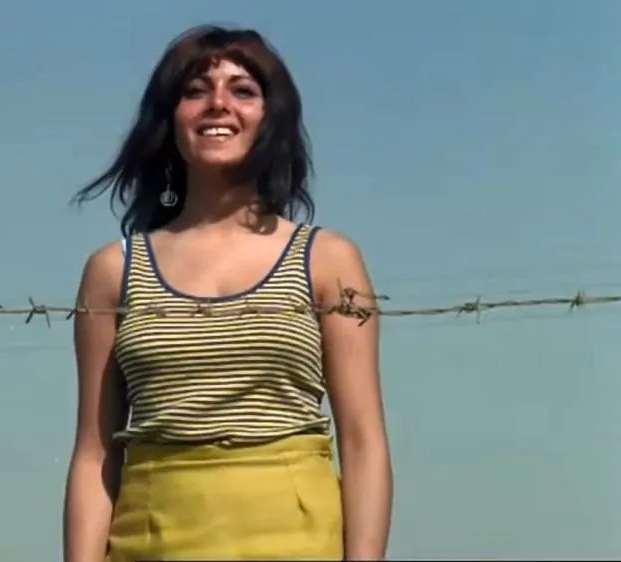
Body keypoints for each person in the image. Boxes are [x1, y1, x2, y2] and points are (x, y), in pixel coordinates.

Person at [63, 24, 393, 562]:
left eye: (243, 90)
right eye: (195, 91)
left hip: (297, 540)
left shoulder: (328, 260)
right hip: (151, 541)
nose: (218, 104)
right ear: (169, 119)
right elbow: (93, 452)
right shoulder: (113, 271)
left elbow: (363, 442)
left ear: (272, 117)